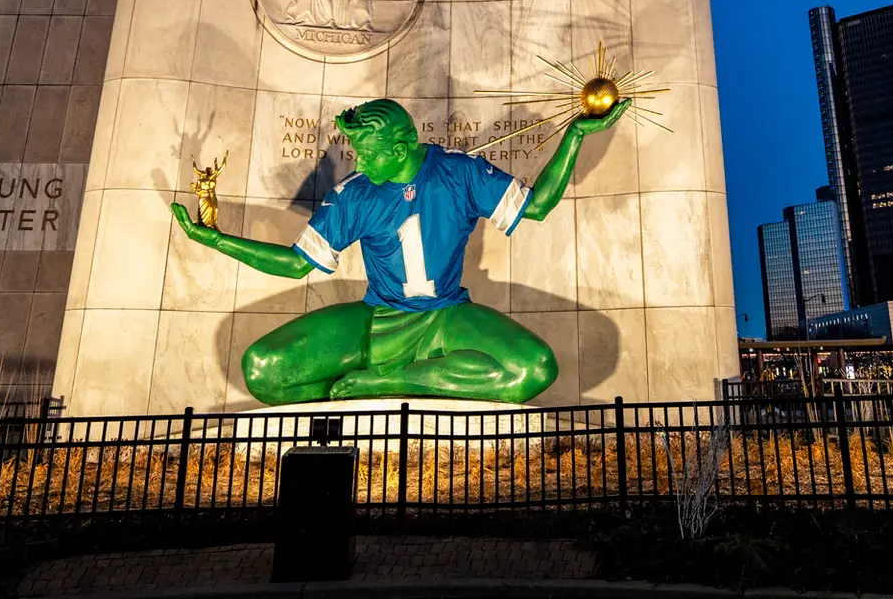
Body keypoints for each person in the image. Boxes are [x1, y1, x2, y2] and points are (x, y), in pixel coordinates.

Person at [171, 96, 628, 403]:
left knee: (534, 368)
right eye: (358, 153)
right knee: (263, 370)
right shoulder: (355, 192)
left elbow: (539, 205)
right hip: (378, 319)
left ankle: (391, 381)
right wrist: (216, 239)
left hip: (446, 316)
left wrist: (575, 135)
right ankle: (389, 382)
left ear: (404, 145)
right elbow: (295, 265)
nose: (361, 163)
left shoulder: (459, 173)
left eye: (370, 153)